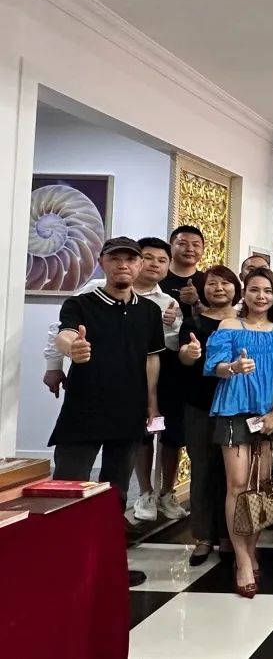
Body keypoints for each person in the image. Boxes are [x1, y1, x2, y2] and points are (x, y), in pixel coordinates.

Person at [48, 237, 165, 588]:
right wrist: (73, 348)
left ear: (139, 265)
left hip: (128, 410)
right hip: (84, 409)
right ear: (102, 262)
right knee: (69, 487)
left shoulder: (149, 311)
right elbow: (65, 335)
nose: (123, 265)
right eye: (115, 259)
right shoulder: (81, 303)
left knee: (116, 492)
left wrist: (152, 403)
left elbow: (152, 358)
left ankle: (108, 564)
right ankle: (64, 566)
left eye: (131, 259)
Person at [205, 267, 273, 598]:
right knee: (237, 485)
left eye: (267, 291)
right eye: (254, 289)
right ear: (245, 292)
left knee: (259, 486)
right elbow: (214, 367)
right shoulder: (229, 326)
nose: (261, 296)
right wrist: (232, 368)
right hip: (233, 410)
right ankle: (241, 560)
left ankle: (251, 550)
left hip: (269, 414)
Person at [177, 265, 240, 565]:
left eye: (225, 283)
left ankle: (229, 535)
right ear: (203, 290)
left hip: (235, 406)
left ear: (236, 289)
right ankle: (203, 537)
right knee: (202, 470)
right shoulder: (193, 323)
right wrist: (188, 355)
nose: (219, 288)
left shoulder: (244, 322)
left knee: (232, 475)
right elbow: (184, 359)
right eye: (212, 284)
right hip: (200, 406)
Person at [130, 237, 189, 523]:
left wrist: (171, 324)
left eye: (161, 260)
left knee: (171, 435)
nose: (155, 264)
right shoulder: (100, 290)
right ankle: (145, 492)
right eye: (149, 258)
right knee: (141, 433)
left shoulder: (169, 302)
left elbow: (175, 343)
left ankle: (167, 493)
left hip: (167, 374)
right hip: (130, 375)